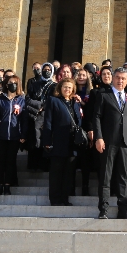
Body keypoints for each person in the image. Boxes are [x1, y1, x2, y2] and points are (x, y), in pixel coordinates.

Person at [94, 67, 127, 219]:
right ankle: (103, 209)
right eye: (117, 77)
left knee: (122, 176)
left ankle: (123, 209)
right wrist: (99, 137)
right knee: (106, 176)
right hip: (108, 141)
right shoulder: (103, 95)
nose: (120, 81)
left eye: (123, 78)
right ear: (113, 78)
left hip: (125, 142)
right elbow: (96, 117)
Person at [42, 78, 82, 206]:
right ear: (60, 88)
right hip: (58, 142)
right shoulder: (53, 101)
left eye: (70, 88)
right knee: (56, 173)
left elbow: (79, 122)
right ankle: (55, 199)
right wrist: (47, 140)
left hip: (72, 143)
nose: (67, 89)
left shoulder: (75, 103)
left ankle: (65, 198)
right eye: (65, 87)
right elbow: (47, 121)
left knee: (68, 173)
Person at [0, 76, 27, 196]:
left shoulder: (21, 100)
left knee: (10, 161)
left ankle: (7, 185)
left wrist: (23, 134)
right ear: (6, 85)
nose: (13, 85)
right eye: (10, 83)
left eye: (15, 83)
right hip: (0, 136)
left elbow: (24, 119)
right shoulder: (0, 99)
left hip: (15, 136)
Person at [25, 62, 56, 172]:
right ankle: (33, 165)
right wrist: (39, 106)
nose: (46, 71)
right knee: (34, 140)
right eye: (44, 69)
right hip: (34, 116)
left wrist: (44, 106)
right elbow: (28, 99)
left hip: (47, 117)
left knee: (44, 140)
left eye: (49, 69)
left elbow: (54, 100)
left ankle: (44, 166)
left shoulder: (54, 85)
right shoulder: (35, 84)